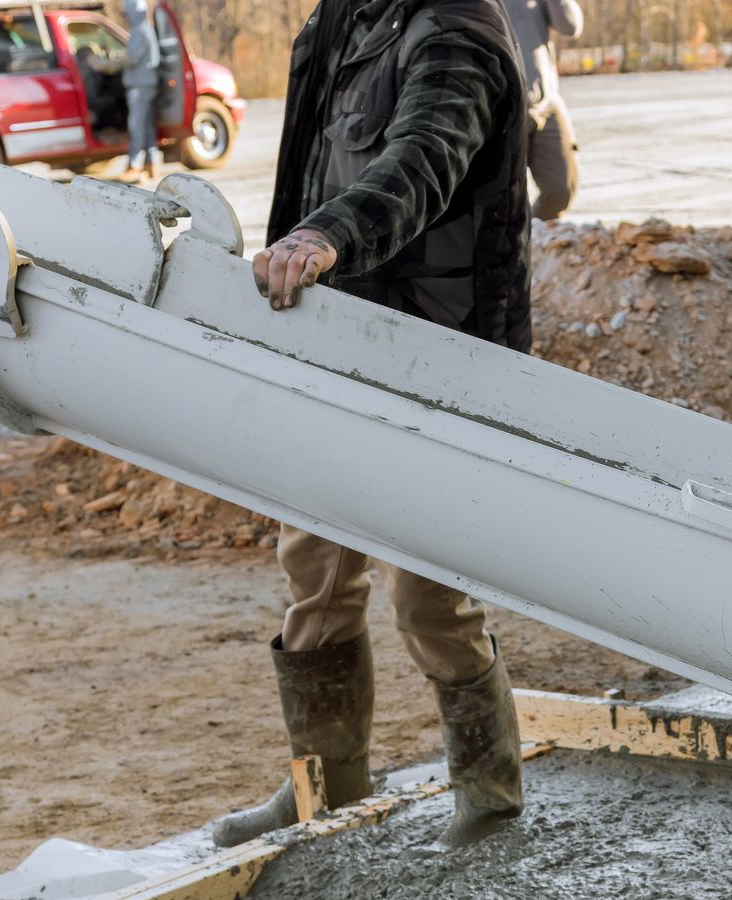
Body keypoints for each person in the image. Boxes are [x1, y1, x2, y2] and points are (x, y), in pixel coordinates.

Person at [212, 0, 532, 850]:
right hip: (333, 345)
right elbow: (305, 179)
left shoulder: (458, 34)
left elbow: (424, 159)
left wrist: (327, 236)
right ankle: (326, 787)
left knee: (429, 596)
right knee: (313, 572)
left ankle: (489, 791)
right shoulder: (338, 25)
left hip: (436, 358)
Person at [501, 0, 583, 219]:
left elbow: (570, 26)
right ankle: (516, 248)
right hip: (502, 109)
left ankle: (534, 241)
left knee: (561, 190)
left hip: (547, 102)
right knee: (504, 202)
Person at [119, 0, 162, 182]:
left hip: (140, 87)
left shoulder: (139, 31)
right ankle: (151, 165)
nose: (126, 18)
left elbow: (131, 58)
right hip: (148, 85)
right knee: (147, 127)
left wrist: (105, 63)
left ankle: (134, 166)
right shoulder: (147, 30)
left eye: (127, 14)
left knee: (136, 126)